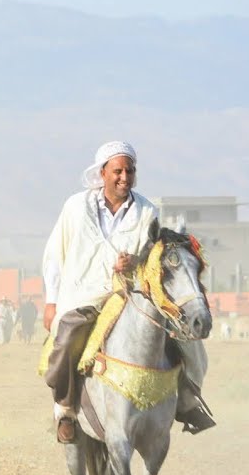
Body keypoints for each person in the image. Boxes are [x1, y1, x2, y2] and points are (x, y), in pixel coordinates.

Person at [42, 141, 214, 442]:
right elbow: (55, 255)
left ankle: (187, 401)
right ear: (102, 173)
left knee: (187, 341)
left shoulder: (147, 211)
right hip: (82, 295)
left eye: (130, 171)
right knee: (68, 337)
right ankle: (65, 409)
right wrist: (51, 301)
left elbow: (155, 256)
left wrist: (135, 262)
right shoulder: (75, 207)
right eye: (118, 171)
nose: (124, 177)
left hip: (128, 295)